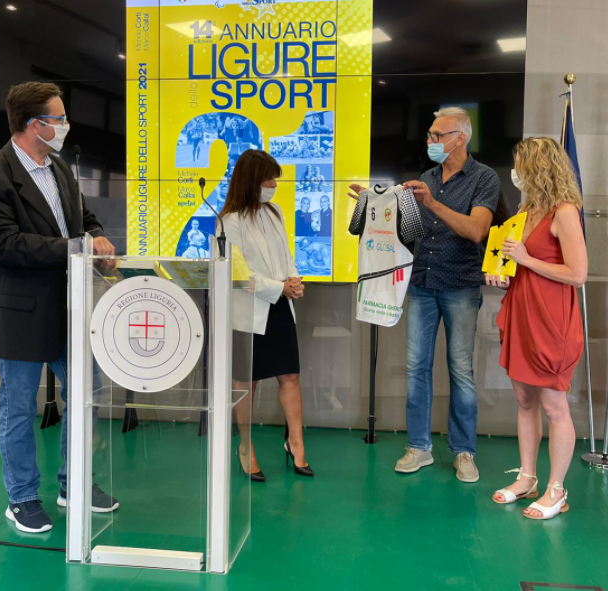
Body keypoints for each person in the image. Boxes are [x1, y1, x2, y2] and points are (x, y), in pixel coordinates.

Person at [0, 82, 119, 534]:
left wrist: (96, 237)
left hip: (68, 307)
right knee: (18, 406)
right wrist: (76, 246)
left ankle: (75, 482)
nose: (66, 125)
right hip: (17, 313)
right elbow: (3, 244)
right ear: (35, 124)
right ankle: (22, 497)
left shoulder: (59, 168)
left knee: (86, 393)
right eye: (59, 118)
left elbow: (83, 220)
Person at [349, 106, 499, 483]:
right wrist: (373, 203)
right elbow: (402, 228)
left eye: (436, 135)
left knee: (460, 369)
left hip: (461, 284)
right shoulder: (425, 178)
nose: (429, 140)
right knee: (416, 367)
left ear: (459, 138)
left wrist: (432, 203)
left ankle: (464, 451)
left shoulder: (484, 178)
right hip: (420, 283)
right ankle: (419, 446)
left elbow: (477, 230)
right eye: (429, 135)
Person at [486, 137, 586, 520]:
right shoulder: (526, 211)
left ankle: (556, 490)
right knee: (525, 401)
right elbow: (520, 265)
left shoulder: (565, 211)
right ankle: (527, 477)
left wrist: (526, 259)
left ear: (538, 167)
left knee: (553, 405)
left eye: (520, 165)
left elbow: (577, 274)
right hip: (521, 314)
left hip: (551, 320)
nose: (515, 173)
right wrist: (504, 276)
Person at [219, 149, 313, 481]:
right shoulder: (229, 221)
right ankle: (245, 447)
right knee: (248, 382)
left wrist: (294, 282)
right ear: (251, 180)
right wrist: (279, 287)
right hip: (248, 312)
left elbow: (286, 255)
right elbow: (238, 275)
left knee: (290, 376)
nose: (274, 185)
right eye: (269, 179)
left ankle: (296, 444)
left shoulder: (275, 212)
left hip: (280, 306)